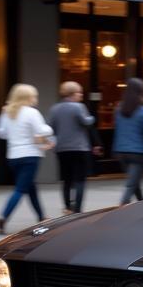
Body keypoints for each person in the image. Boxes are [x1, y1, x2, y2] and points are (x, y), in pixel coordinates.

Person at [0, 84, 52, 233]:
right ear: (27, 97)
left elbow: (1, 133)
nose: (36, 99)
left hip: (13, 156)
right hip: (30, 155)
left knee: (31, 186)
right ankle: (4, 217)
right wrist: (49, 129)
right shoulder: (32, 112)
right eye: (34, 96)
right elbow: (42, 130)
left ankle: (41, 216)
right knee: (20, 189)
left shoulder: (7, 112)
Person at [48, 81, 99, 214]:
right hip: (79, 148)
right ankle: (77, 209)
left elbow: (50, 127)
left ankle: (67, 206)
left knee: (66, 179)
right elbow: (86, 122)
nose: (81, 95)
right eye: (79, 92)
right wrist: (93, 117)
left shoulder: (55, 108)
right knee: (80, 180)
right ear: (72, 94)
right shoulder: (78, 107)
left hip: (62, 149)